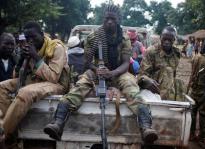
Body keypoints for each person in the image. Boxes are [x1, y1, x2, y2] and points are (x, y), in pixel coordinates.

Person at [44, 4, 158, 144]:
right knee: (80, 86)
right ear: (103, 19)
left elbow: (125, 62)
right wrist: (96, 69)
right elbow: (87, 61)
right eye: (106, 19)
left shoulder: (124, 38)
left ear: (118, 20)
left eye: (113, 19)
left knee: (131, 87)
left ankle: (145, 127)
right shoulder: (94, 37)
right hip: (96, 72)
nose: (109, 22)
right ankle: (58, 123)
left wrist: (112, 73)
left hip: (118, 72)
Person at [0, 21, 69, 139]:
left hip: (56, 84)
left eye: (33, 37)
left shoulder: (56, 47)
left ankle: (4, 134)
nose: (30, 40)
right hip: (35, 81)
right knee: (2, 86)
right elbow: (17, 77)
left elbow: (53, 77)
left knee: (25, 92)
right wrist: (21, 59)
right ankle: (9, 128)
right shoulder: (30, 47)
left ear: (42, 34)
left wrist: (36, 57)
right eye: (27, 38)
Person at [138, 26, 184, 101]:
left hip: (169, 88)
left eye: (170, 40)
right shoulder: (151, 52)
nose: (167, 42)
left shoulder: (176, 53)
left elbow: (174, 72)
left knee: (179, 82)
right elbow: (142, 75)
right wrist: (147, 80)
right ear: (160, 37)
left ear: (174, 39)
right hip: (153, 88)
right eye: (164, 39)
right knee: (168, 71)